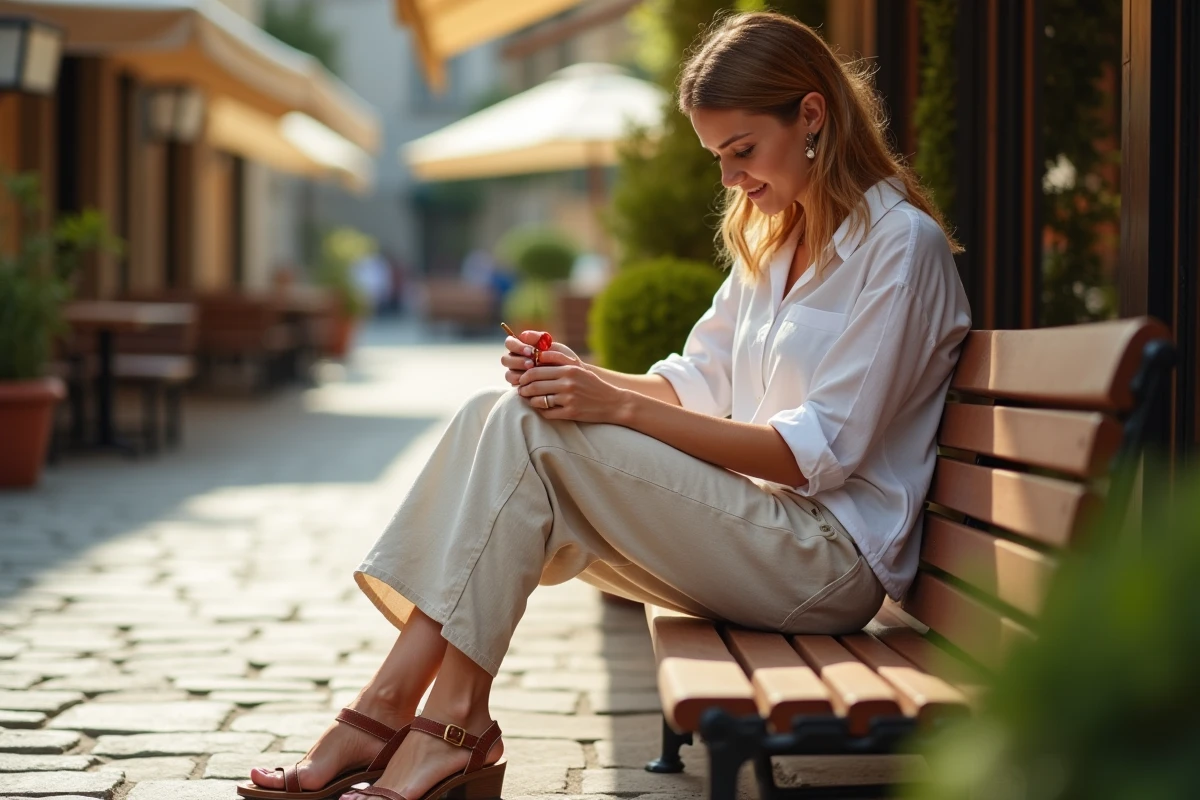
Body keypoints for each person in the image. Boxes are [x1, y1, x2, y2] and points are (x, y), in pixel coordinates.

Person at [238, 11, 971, 800]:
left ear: (813, 115)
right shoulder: (779, 239)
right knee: (501, 410)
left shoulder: (900, 248)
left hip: (825, 564)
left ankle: (416, 721)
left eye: (741, 151)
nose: (730, 179)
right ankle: (431, 718)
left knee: (526, 433)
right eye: (717, 158)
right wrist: (582, 377)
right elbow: (692, 382)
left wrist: (615, 410)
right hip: (755, 534)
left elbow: (813, 453)